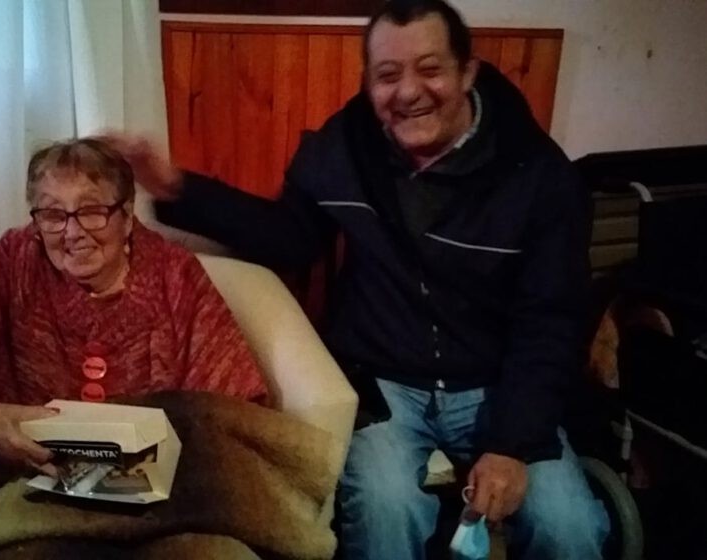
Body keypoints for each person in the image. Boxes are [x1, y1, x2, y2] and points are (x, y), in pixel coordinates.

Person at [107, 1, 611, 559]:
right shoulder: (345, 145)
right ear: (369, 84)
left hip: (498, 383)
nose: (408, 91)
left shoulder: (540, 174)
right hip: (383, 382)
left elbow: (551, 320)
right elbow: (290, 237)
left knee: (571, 528)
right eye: (387, 75)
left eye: (430, 69)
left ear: (467, 72)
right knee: (383, 509)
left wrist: (512, 445)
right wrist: (176, 187)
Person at [0, 138, 268, 475]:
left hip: (167, 485)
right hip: (35, 477)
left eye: (91, 210)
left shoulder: (175, 274)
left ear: (126, 215)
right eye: (53, 214)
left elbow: (233, 406)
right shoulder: (16, 261)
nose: (72, 232)